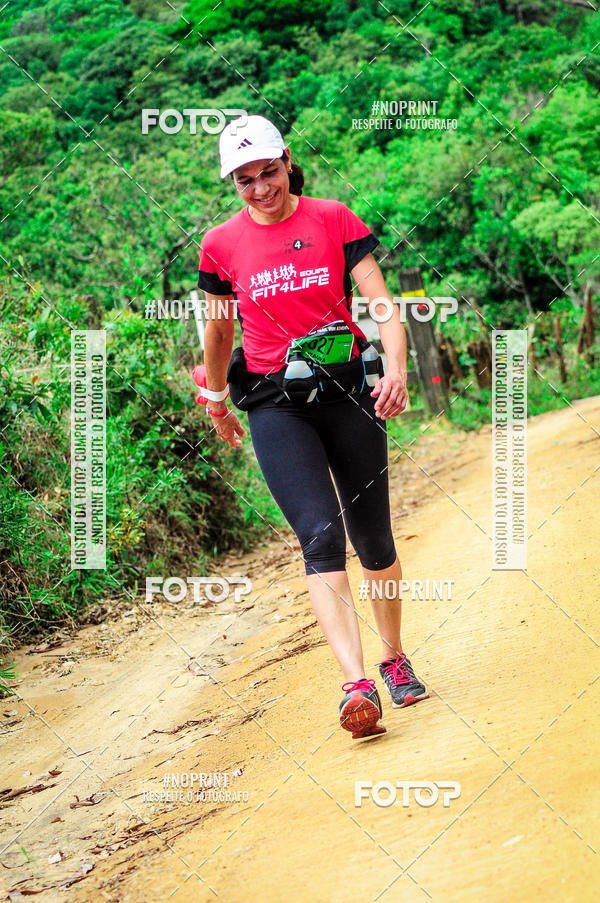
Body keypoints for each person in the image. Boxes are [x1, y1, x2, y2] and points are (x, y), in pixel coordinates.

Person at [197, 114, 428, 739]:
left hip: (348, 391)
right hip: (275, 403)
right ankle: (355, 684)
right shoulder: (220, 245)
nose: (259, 188)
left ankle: (394, 658)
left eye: (267, 172)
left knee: (373, 540)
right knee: (319, 537)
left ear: (286, 161)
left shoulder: (333, 218)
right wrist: (217, 397)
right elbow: (219, 330)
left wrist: (396, 370)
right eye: (244, 180)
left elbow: (382, 306)